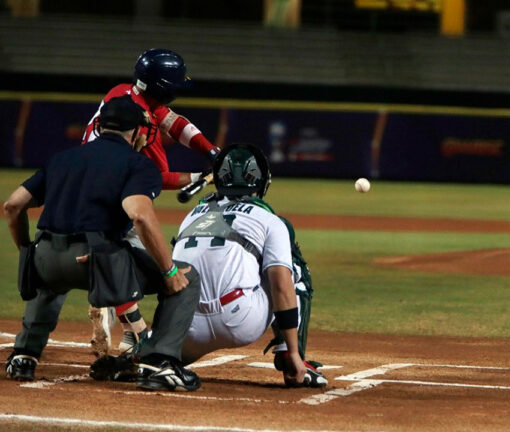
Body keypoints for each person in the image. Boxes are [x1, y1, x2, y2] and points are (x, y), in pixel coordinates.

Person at [4, 96, 203, 392]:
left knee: (49, 283)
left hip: (46, 260)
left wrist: (26, 251)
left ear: (98, 125)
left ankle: (23, 355)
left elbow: (12, 206)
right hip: (98, 264)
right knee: (187, 278)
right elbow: (141, 217)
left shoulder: (62, 158)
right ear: (137, 132)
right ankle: (158, 362)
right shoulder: (138, 164)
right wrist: (170, 272)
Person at [82, 48, 221, 357]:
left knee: (115, 254)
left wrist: (211, 151)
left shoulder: (123, 96)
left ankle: (129, 328)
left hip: (83, 189)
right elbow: (157, 177)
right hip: (110, 200)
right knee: (161, 267)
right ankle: (144, 336)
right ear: (163, 88)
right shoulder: (143, 124)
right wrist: (203, 174)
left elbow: (174, 122)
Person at [173, 143, 326, 387]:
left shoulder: (191, 216)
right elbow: (281, 286)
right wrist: (295, 352)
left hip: (188, 327)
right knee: (291, 269)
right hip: (240, 321)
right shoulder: (270, 220)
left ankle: (152, 352)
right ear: (262, 181)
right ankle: (291, 357)